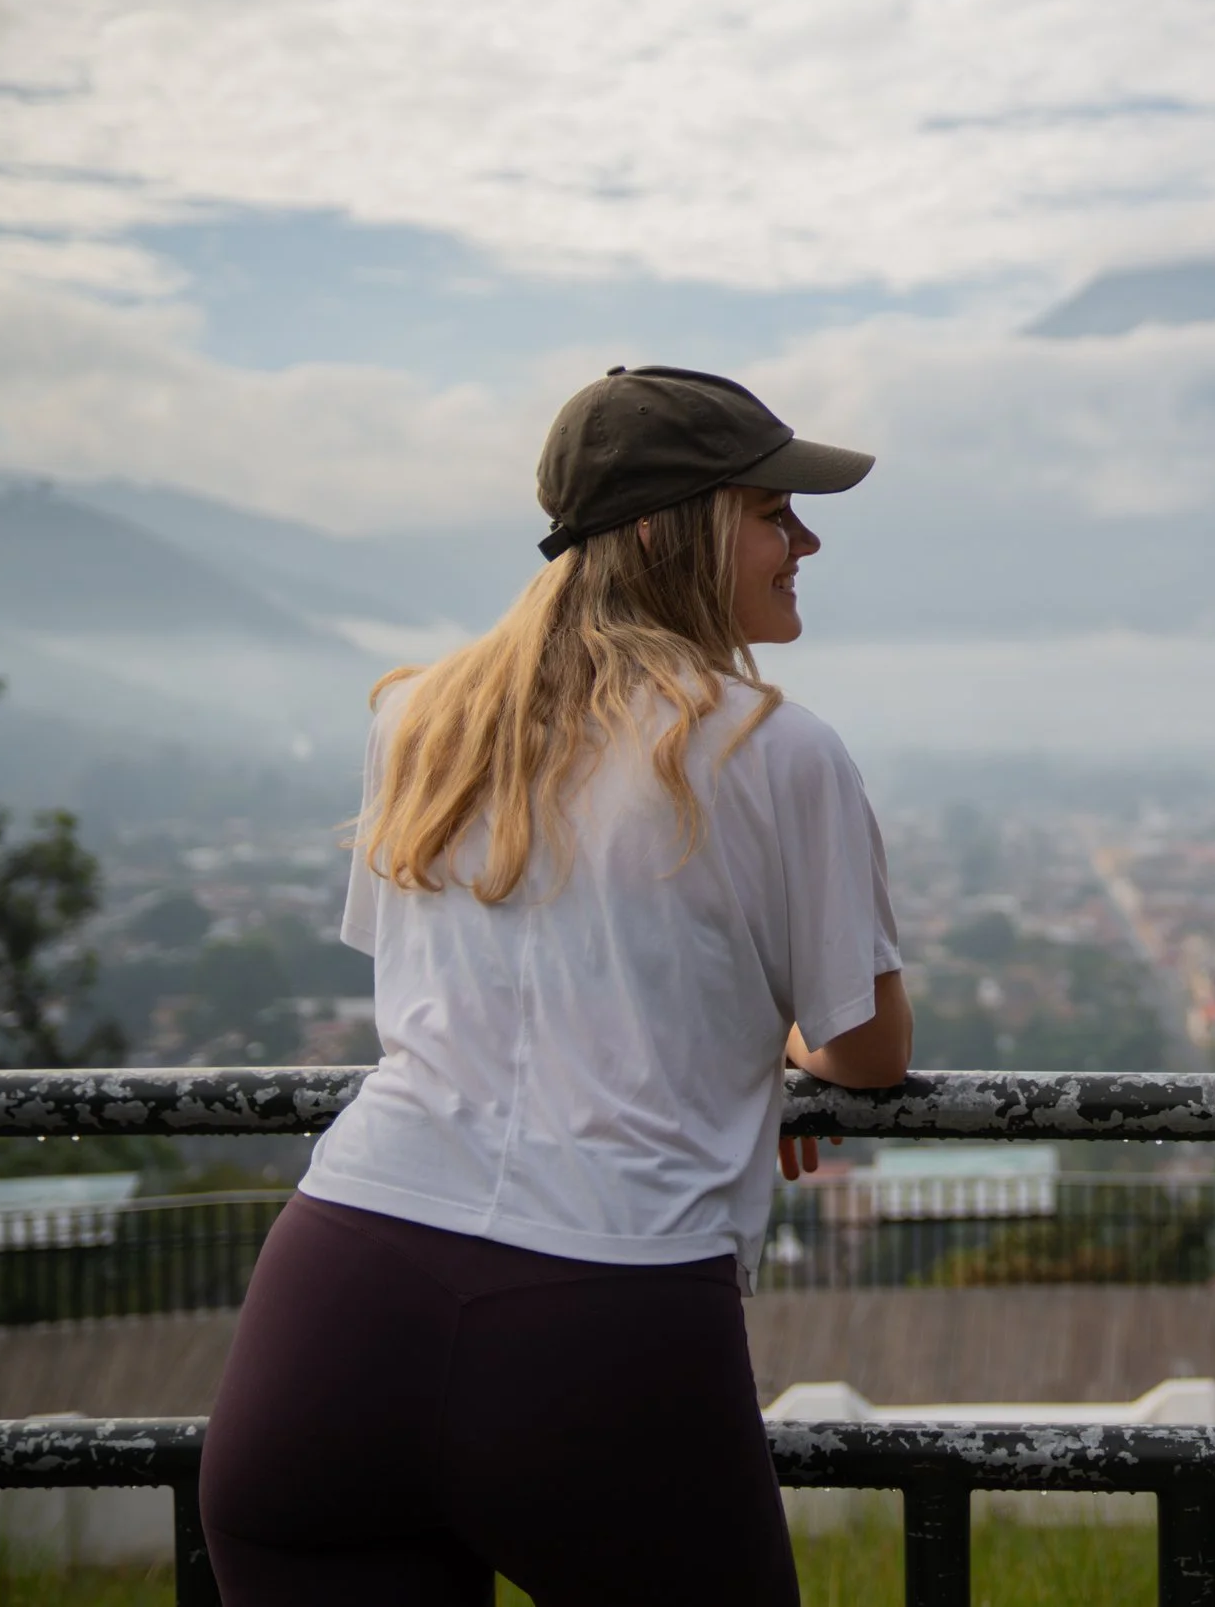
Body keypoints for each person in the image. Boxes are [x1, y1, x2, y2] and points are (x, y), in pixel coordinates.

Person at [202, 365, 909, 1606]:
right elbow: (867, 1050)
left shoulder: (419, 719)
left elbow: (451, 994)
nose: (805, 537)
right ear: (662, 529)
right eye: (770, 509)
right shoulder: (774, 747)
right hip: (604, 1318)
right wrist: (780, 1054)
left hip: (336, 1301)